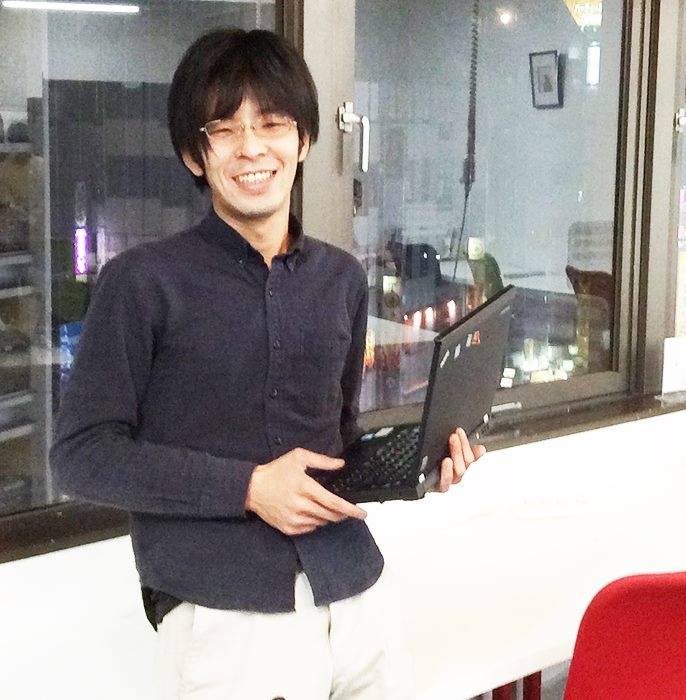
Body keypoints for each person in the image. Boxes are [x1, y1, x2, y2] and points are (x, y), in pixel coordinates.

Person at [50, 28, 485, 699]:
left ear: (303, 140)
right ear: (195, 155)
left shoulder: (340, 279)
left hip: (356, 593)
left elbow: (334, 446)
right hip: (226, 613)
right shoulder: (142, 282)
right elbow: (82, 455)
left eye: (272, 124)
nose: (251, 148)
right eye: (225, 130)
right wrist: (249, 488)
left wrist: (421, 461)